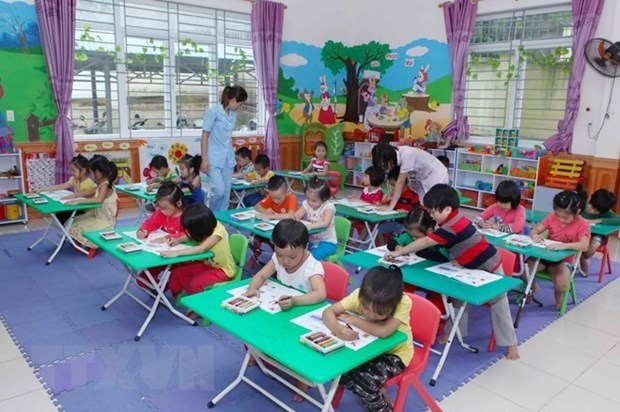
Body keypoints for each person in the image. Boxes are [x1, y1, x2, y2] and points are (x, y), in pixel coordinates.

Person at [386, 184, 519, 360]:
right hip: (468, 265)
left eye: (433, 211)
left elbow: (425, 242)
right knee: (457, 298)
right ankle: (454, 332)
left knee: (499, 304)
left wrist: (400, 252)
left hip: (489, 265)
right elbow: (462, 244)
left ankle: (512, 345)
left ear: (447, 209)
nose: (431, 215)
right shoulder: (448, 221)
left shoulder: (452, 225)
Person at [246, 219, 327, 402]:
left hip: (303, 313)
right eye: (280, 254)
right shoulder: (279, 258)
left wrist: (295, 301)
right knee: (257, 326)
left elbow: (321, 294)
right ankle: (258, 355)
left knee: (298, 351)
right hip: (282, 308)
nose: (285, 261)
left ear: (305, 248)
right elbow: (261, 275)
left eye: (292, 257)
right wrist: (253, 288)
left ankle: (302, 382)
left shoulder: (312, 266)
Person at [322, 266, 412, 412]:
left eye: (379, 313)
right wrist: (338, 329)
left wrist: (355, 320)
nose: (370, 314)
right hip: (366, 350)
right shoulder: (360, 295)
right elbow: (328, 311)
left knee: (365, 383)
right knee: (336, 370)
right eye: (365, 308)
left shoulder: (403, 302)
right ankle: (376, 392)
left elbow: (384, 332)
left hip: (395, 354)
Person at [161, 203, 236, 318]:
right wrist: (178, 240)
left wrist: (176, 253)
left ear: (200, 228)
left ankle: (200, 308)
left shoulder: (218, 231)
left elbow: (202, 248)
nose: (189, 233)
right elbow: (190, 235)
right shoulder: (203, 228)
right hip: (208, 263)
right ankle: (192, 298)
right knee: (179, 272)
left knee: (195, 282)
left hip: (224, 270)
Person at [528, 190, 590, 308]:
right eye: (558, 215)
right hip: (544, 255)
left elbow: (584, 245)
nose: (561, 220)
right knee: (524, 270)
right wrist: (534, 236)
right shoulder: (552, 217)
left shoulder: (582, 224)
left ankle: (559, 296)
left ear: (577, 212)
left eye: (566, 218)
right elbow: (535, 230)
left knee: (561, 284)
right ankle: (532, 287)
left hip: (563, 260)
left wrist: (563, 245)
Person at [200, 85, 248, 212]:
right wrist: (204, 159)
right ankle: (212, 216)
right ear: (233, 100)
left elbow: (227, 137)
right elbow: (205, 135)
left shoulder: (233, 115)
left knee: (226, 193)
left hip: (228, 158)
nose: (240, 107)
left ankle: (222, 222)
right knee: (219, 191)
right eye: (240, 103)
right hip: (213, 158)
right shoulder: (213, 112)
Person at [134, 182, 187, 290]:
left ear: (178, 203)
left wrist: (166, 238)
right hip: (164, 255)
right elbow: (151, 223)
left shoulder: (187, 216)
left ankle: (165, 288)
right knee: (142, 279)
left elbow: (189, 234)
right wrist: (144, 230)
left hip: (184, 258)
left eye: (166, 208)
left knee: (176, 284)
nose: (162, 211)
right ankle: (159, 289)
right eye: (160, 207)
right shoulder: (162, 213)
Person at [372, 143, 448, 210]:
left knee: (434, 205)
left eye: (383, 164)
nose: (384, 167)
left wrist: (390, 207)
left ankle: (434, 225)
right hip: (422, 177)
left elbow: (400, 183)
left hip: (436, 174)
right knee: (423, 204)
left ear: (389, 157)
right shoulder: (396, 158)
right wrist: (390, 193)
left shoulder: (406, 154)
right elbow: (396, 182)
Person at [67, 156, 119, 249]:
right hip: (97, 215)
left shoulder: (105, 185)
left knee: (76, 225)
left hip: (104, 220)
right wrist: (76, 195)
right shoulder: (101, 184)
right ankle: (77, 243)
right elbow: (90, 191)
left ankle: (84, 243)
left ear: (98, 173)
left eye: (91, 172)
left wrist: (79, 201)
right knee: (73, 221)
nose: (90, 175)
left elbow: (99, 199)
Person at [37, 154, 96, 224]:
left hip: (86, 211)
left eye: (74, 171)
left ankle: (69, 232)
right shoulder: (74, 179)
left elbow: (84, 199)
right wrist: (42, 189)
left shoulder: (90, 184)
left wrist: (77, 187)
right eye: (71, 170)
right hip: (76, 207)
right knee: (59, 214)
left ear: (83, 171)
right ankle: (68, 231)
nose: (72, 173)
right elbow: (60, 186)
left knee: (63, 216)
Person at [293, 177, 337, 260]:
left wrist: (310, 226)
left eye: (314, 200)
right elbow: (298, 213)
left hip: (328, 242)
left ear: (324, 198)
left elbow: (325, 223)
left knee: (312, 257)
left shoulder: (328, 207)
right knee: (297, 251)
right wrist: (296, 217)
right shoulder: (307, 203)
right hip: (311, 240)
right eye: (308, 198)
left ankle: (314, 272)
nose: (310, 202)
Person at [580, 189, 620, 276]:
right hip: (580, 233)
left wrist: (598, 220)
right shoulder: (582, 205)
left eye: (597, 211)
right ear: (590, 199)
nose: (593, 211)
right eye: (592, 207)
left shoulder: (606, 212)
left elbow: (618, 221)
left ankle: (583, 258)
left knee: (592, 246)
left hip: (597, 234)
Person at [350, 166, 384, 240]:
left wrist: (358, 201)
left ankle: (358, 242)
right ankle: (347, 240)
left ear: (373, 178)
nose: (363, 178)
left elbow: (372, 206)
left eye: (366, 176)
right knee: (348, 220)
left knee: (368, 225)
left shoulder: (379, 192)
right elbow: (361, 202)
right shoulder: (365, 189)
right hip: (361, 215)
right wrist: (355, 199)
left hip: (371, 218)